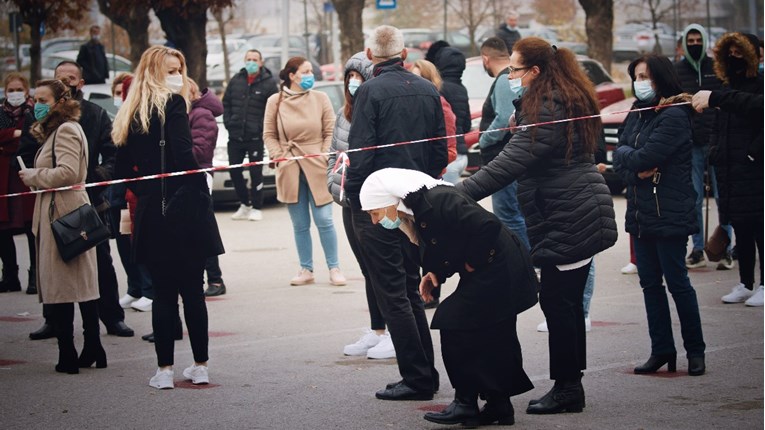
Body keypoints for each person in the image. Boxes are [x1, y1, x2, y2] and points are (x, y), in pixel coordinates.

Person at [455, 37, 617, 414]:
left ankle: (567, 389)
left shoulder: (549, 105)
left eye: (515, 69)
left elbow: (511, 161)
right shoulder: (558, 97)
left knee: (559, 304)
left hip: (570, 213)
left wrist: (459, 194)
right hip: (570, 208)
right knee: (566, 303)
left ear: (535, 71)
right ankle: (570, 384)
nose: (510, 75)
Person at [360, 168, 537, 426]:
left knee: (453, 322)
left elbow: (486, 226)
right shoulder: (420, 207)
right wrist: (436, 273)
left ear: (389, 200)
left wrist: (473, 262)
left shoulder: (438, 200)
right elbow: (450, 241)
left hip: (501, 268)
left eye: (374, 213)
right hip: (499, 267)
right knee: (495, 334)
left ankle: (465, 403)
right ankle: (499, 405)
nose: (375, 221)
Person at [345, 25, 448, 401]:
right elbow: (440, 151)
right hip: (417, 199)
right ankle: (424, 373)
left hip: (380, 201)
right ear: (404, 56)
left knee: (393, 291)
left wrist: (356, 197)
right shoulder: (427, 89)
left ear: (371, 56)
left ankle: (419, 377)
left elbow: (361, 152)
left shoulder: (370, 91)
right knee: (407, 286)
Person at [113, 46, 224, 389]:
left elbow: (121, 171)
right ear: (155, 72)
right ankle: (200, 366)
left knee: (163, 293)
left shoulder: (129, 112)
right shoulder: (174, 105)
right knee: (191, 291)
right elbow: (183, 156)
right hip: (183, 209)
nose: (178, 77)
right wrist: (200, 181)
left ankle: (163, 372)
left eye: (180, 69)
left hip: (150, 212)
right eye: (171, 70)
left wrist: (135, 199)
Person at [613, 54, 706, 377]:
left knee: (678, 283)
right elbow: (621, 155)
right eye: (637, 76)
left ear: (662, 79)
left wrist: (632, 161)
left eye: (647, 77)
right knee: (650, 285)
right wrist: (631, 164)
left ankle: (695, 351)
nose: (641, 83)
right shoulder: (638, 112)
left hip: (670, 212)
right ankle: (662, 349)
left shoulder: (675, 115)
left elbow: (646, 156)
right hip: (641, 214)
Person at [28, 60, 134, 340]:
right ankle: (52, 320)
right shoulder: (41, 116)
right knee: (53, 266)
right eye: (60, 78)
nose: (66, 82)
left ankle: (112, 318)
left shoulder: (96, 114)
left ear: (80, 83)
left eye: (71, 78)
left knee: (99, 263)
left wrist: (93, 178)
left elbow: (113, 155)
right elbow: (27, 150)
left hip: (90, 201)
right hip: (51, 202)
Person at [18, 79, 104, 374]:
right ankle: (92, 347)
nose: (36, 104)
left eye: (42, 98)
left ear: (59, 102)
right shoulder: (55, 130)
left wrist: (34, 176)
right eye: (34, 98)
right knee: (76, 283)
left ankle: (70, 352)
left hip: (65, 213)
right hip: (62, 210)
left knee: (67, 285)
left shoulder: (66, 129)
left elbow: (69, 172)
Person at [328, 52, 395, 360]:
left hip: (373, 200)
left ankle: (394, 331)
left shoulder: (377, 111)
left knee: (383, 267)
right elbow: (334, 153)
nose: (354, 83)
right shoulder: (343, 114)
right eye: (349, 77)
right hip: (348, 199)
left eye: (359, 77)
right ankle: (376, 329)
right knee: (367, 268)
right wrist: (334, 184)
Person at [263, 56, 346, 287]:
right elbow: (269, 134)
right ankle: (306, 269)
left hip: (317, 165)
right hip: (289, 166)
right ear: (292, 75)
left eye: (311, 71)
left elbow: (331, 130)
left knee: (325, 220)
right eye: (306, 71)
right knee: (300, 224)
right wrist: (279, 156)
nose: (311, 75)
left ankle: (334, 267)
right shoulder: (275, 101)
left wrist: (322, 153)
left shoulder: (320, 98)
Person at [705, 33, 763, 306]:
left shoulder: (760, 83)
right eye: (730, 53)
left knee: (760, 226)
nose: (734, 58)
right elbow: (718, 124)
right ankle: (745, 283)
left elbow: (757, 109)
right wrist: (714, 151)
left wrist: (753, 153)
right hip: (729, 168)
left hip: (754, 167)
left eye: (740, 52)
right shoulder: (725, 86)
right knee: (741, 225)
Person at [674, 24, 734, 271]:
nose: (695, 43)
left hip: (718, 142)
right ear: (684, 44)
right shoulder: (678, 70)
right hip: (692, 143)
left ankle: (724, 249)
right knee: (695, 198)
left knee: (723, 198)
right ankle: (697, 249)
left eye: (699, 39)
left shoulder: (717, 68)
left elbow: (728, 100)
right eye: (691, 40)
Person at [410, 58, 457, 308]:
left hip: (430, 180)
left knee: (430, 240)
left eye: (420, 78)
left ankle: (432, 291)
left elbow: (450, 149)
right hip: (410, 180)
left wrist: (427, 165)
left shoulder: (441, 106)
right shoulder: (410, 106)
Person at [475, 37, 529, 250]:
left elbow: (504, 118)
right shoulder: (511, 78)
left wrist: (483, 139)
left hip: (503, 157)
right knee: (514, 214)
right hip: (511, 156)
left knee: (509, 216)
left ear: (485, 58)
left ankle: (527, 265)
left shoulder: (503, 79)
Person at [223, 49, 279, 221]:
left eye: (255, 59)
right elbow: (226, 103)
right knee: (235, 172)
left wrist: (261, 128)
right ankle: (244, 204)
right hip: (235, 136)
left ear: (261, 62)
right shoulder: (236, 80)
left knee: (256, 173)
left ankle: (256, 206)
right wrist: (229, 122)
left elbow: (274, 109)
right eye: (248, 59)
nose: (251, 62)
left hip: (255, 137)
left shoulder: (269, 83)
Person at [188, 78, 228, 297]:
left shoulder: (201, 114)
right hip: (194, 176)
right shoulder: (192, 113)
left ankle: (215, 278)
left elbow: (200, 152)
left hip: (200, 177)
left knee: (203, 228)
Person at [0, 73, 36, 294]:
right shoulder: (1, 113)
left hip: (24, 175)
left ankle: (34, 276)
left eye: (18, 89)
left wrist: (8, 141)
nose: (14, 94)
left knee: (31, 226)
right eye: (10, 90)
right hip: (4, 178)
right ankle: (10, 275)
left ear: (26, 90)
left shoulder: (32, 112)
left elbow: (32, 137)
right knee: (3, 228)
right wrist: (14, 133)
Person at [425, 42, 470, 185]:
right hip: (462, 155)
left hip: (448, 157)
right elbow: (467, 125)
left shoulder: (440, 89)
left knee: (445, 204)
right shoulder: (462, 88)